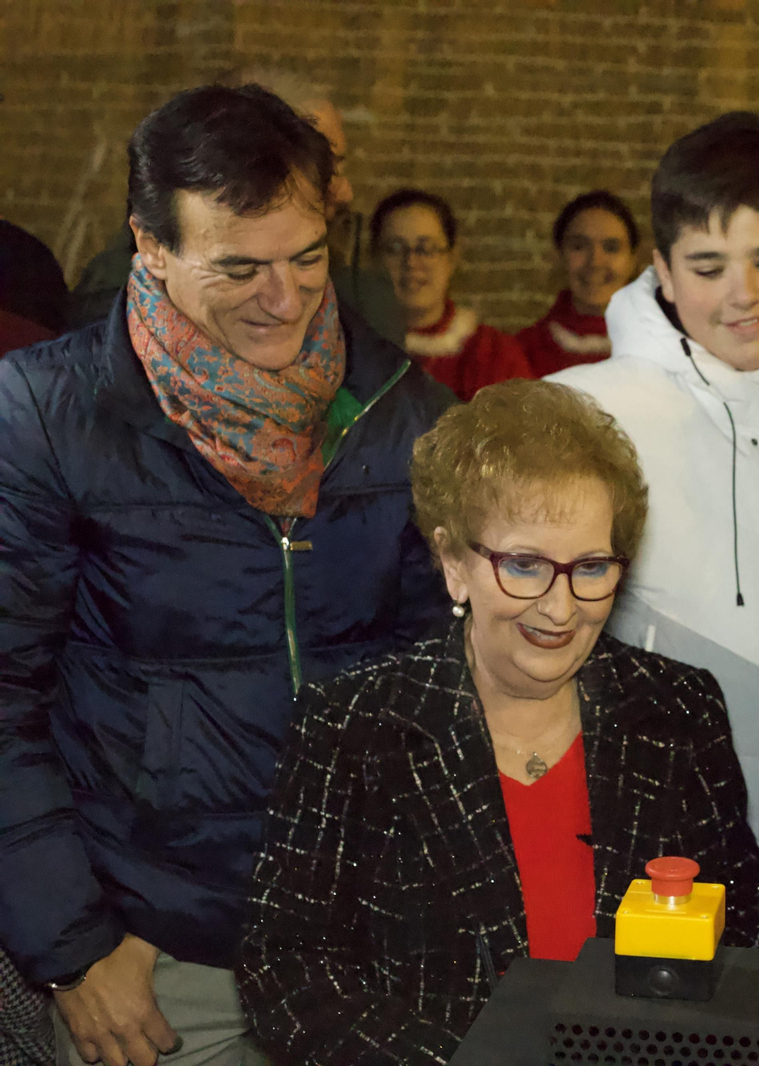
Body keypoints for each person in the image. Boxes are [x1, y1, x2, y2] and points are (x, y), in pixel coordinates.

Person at [0, 84, 452, 1066]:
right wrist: (75, 948)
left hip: (361, 951)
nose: (285, 300)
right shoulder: (43, 413)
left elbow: (441, 682)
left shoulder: (402, 410)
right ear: (150, 248)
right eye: (239, 268)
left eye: (307, 258)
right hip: (159, 963)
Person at [238, 379, 759, 1065]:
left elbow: (750, 914)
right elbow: (287, 971)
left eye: (590, 567)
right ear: (453, 564)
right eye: (524, 566)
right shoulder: (355, 725)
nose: (560, 608)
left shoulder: (676, 709)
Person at [549, 111, 759, 858]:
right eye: (708, 268)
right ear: (664, 272)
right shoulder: (587, 409)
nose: (742, 294)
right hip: (654, 826)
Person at [68, 69, 407, 346]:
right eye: (324, 167)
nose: (345, 191)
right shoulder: (114, 306)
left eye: (306, 260)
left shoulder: (358, 270)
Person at [371, 187, 529, 401]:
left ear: (451, 258)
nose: (411, 263)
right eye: (395, 248)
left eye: (426, 249)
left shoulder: (493, 353)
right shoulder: (352, 347)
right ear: (373, 259)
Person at [517, 190, 639, 376]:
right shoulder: (522, 354)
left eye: (611, 248)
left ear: (633, 260)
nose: (595, 262)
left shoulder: (667, 352)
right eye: (579, 246)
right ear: (559, 257)